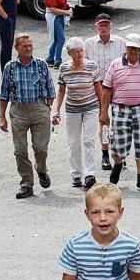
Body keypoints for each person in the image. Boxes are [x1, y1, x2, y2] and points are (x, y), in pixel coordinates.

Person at [99, 32, 140, 193]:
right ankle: (118, 162)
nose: (133, 52)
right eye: (130, 49)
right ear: (126, 48)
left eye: (136, 49)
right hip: (121, 108)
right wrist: (104, 112)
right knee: (118, 143)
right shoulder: (116, 65)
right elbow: (106, 90)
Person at [0, 33, 56, 199]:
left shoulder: (41, 65)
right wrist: (2, 117)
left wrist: (47, 108)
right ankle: (26, 184)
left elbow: (50, 89)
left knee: (40, 148)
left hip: (39, 108)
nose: (29, 48)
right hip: (18, 110)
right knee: (20, 150)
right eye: (25, 46)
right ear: (17, 48)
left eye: (30, 45)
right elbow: (4, 94)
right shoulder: (9, 67)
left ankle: (42, 171)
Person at [54, 37, 102, 191]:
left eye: (81, 50)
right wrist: (56, 110)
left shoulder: (91, 66)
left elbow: (98, 88)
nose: (80, 54)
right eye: (76, 52)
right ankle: (76, 175)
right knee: (73, 142)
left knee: (89, 141)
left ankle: (90, 175)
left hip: (91, 107)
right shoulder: (64, 68)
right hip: (72, 109)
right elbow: (61, 90)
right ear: (70, 53)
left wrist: (103, 109)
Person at [83, 14, 126, 172]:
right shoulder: (89, 43)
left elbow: (126, 63)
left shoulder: (120, 42)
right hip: (99, 85)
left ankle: (119, 153)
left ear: (111, 25)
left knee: (121, 120)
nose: (104, 27)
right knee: (104, 120)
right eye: (101, 25)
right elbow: (85, 66)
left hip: (118, 85)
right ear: (96, 26)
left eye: (106, 24)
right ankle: (105, 154)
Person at [44, 0, 72, 69]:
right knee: (61, 39)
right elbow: (53, 10)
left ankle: (50, 59)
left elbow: (62, 0)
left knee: (56, 39)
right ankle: (57, 61)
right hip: (54, 17)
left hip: (59, 16)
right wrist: (66, 12)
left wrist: (67, 6)